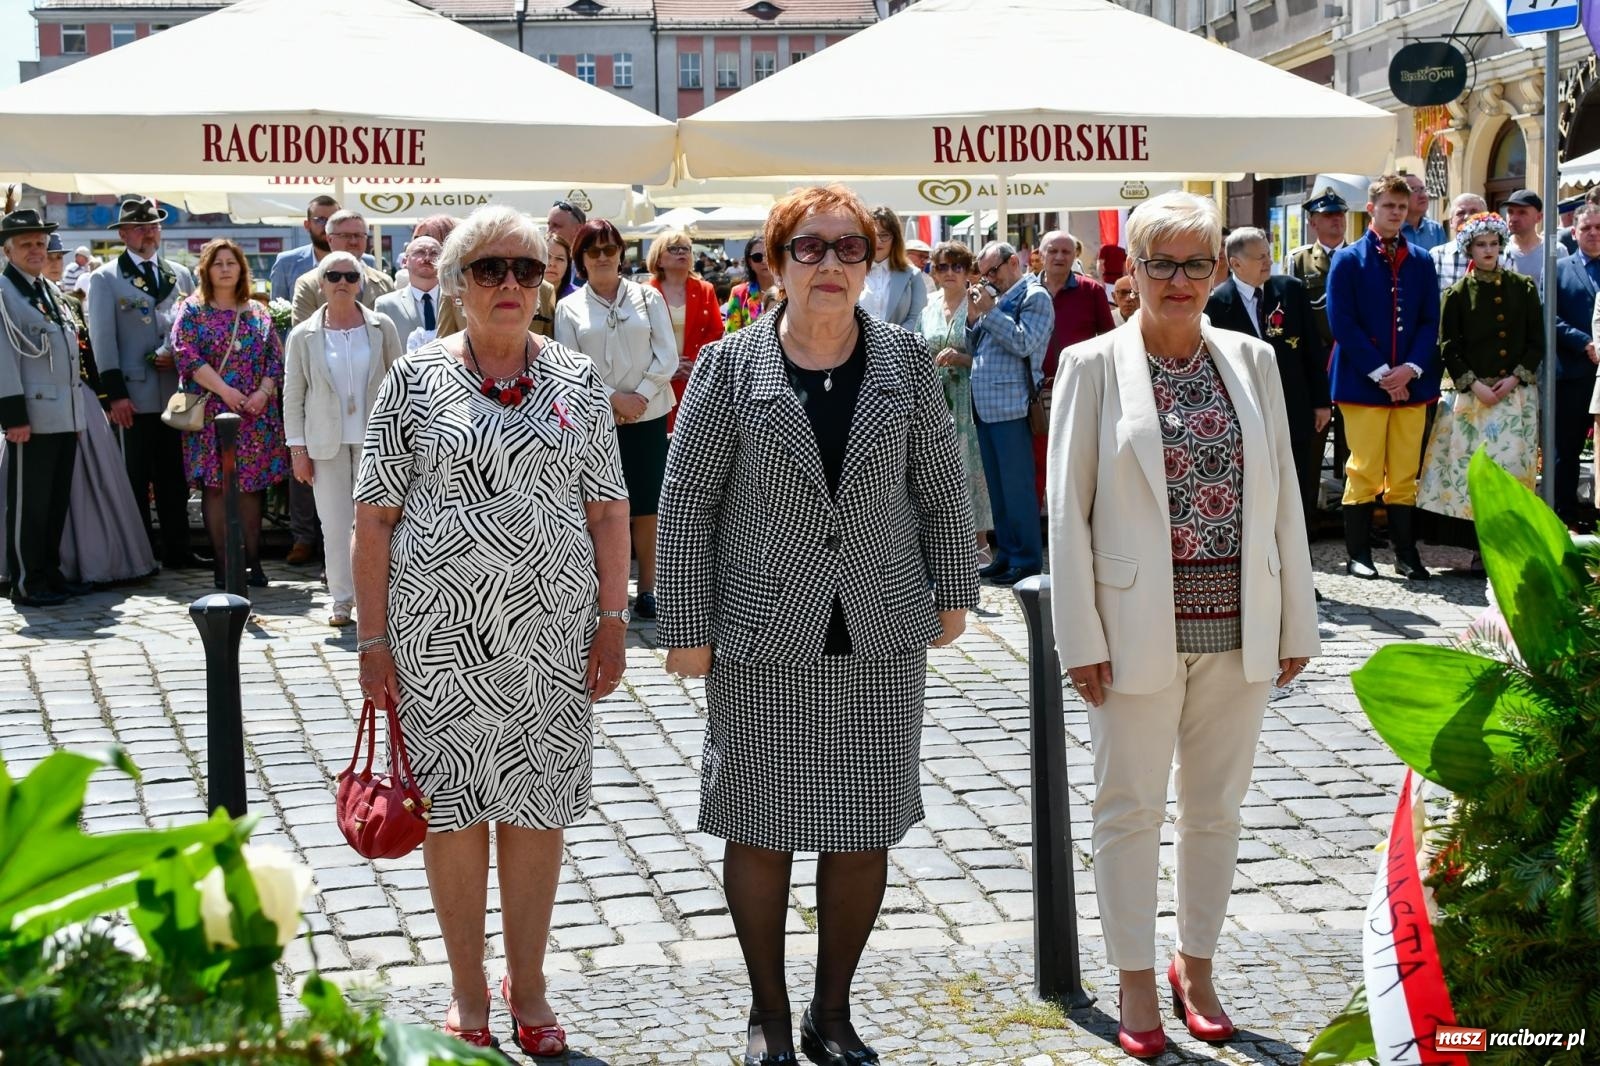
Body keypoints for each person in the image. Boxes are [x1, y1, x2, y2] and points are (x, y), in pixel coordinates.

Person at [655, 183, 977, 1066]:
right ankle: (768, 1012)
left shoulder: (904, 361)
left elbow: (940, 484)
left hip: (879, 624)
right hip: (762, 626)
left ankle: (831, 1013)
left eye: (849, 248)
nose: (830, 264)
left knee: (864, 826)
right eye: (810, 247)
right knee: (759, 825)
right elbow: (688, 502)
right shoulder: (729, 367)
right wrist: (685, 623)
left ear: (872, 263)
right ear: (776, 262)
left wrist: (954, 588)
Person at [1045, 190, 1318, 1060]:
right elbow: (1067, 512)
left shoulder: (1252, 359)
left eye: (1196, 263)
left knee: (1216, 811)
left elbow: (1284, 494)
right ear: (1132, 271)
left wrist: (1297, 619)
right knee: (1128, 808)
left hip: (1241, 626)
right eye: (1160, 263)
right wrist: (1079, 637)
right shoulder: (1091, 365)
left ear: (1217, 271)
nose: (1179, 280)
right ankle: (1134, 976)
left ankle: (1195, 966)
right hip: (1133, 630)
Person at [353, 204, 628, 1055]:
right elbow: (373, 521)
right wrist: (372, 642)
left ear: (544, 281)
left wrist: (614, 619)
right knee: (453, 813)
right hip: (438, 641)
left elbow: (609, 511)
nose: (510, 283)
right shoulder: (414, 379)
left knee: (538, 810)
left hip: (552, 639)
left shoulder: (577, 379)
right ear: (457, 283)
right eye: (490, 269)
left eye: (526, 268)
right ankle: (468, 988)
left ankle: (529, 983)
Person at [555, 219, 677, 621]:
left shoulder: (648, 297)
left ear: (621, 254)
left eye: (610, 249)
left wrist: (639, 396)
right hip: (596, 419)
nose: (603, 257)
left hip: (648, 412)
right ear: (581, 259)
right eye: (594, 251)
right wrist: (612, 399)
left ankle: (649, 589)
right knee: (600, 504)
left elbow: (667, 354)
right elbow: (569, 366)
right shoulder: (569, 307)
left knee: (648, 504)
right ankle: (608, 590)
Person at [1326, 174, 1442, 581]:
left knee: (1406, 472)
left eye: (1402, 206)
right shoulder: (1348, 259)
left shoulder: (1422, 260)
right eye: (1389, 206)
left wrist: (1411, 369)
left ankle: (1406, 555)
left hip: (1413, 383)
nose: (1396, 213)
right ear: (1371, 208)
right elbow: (1342, 322)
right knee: (1364, 469)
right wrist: (1381, 373)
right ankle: (1359, 554)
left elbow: (1429, 321)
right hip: (1362, 383)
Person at [284, 251, 403, 625]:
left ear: (360, 284)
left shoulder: (382, 326)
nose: (342, 283)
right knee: (334, 525)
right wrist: (297, 448)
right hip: (325, 443)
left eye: (351, 276)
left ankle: (382, 599)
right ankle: (341, 600)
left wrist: (405, 437)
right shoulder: (303, 335)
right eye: (333, 276)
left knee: (380, 523)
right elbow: (293, 394)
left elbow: (403, 385)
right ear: (321, 283)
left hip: (378, 441)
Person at [1417, 213, 1542, 557]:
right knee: (1472, 468)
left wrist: (1514, 377)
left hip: (1514, 395)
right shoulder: (1456, 294)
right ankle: (1476, 549)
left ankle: (1510, 545)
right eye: (1480, 245)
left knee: (1510, 469)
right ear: (1469, 249)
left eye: (1493, 244)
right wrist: (1474, 384)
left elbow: (1536, 341)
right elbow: (1448, 346)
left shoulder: (1523, 287)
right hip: (1472, 398)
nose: (1488, 250)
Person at [85, 195, 200, 571]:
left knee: (174, 477)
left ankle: (178, 549)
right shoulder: (106, 277)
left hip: (175, 393)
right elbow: (102, 342)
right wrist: (114, 395)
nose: (147, 233)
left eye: (153, 226)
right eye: (138, 228)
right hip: (133, 396)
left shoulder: (179, 274)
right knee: (133, 477)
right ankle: (138, 553)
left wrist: (179, 358)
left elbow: (189, 329)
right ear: (123, 234)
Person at [169, 239, 289, 589]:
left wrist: (263, 392)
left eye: (231, 263)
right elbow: (185, 355)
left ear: (241, 270)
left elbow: (274, 357)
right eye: (217, 263)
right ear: (206, 270)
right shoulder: (193, 310)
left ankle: (253, 562)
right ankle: (223, 565)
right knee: (216, 487)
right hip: (210, 413)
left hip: (254, 414)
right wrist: (225, 391)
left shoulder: (258, 312)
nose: (224, 269)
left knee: (251, 487)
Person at [1206, 227, 1331, 527]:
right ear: (1235, 263)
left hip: (1293, 406)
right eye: (1259, 257)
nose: (1268, 262)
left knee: (1298, 479)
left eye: (1268, 254)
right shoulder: (1216, 304)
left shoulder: (1291, 291)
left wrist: (1321, 401)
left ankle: (1299, 538)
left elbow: (1312, 349)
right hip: (1244, 411)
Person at [0, 209, 86, 606]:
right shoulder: (5, 293)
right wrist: (13, 417)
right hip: (31, 418)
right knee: (28, 506)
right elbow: (3, 359)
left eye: (40, 243)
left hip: (64, 414)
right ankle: (26, 581)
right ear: (7, 251)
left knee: (54, 503)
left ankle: (50, 573)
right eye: (26, 244)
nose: (36, 250)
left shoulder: (46, 290)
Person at [970, 239, 1053, 586]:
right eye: (984, 274)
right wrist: (974, 317)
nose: (989, 279)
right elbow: (975, 345)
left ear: (1013, 263)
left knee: (1018, 490)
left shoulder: (1035, 297)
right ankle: (1005, 554)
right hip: (987, 405)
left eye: (993, 271)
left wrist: (989, 312)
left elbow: (1023, 343)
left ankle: (1026, 560)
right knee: (999, 490)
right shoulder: (1000, 299)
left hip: (1013, 406)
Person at [919, 239, 992, 562]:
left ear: (968, 271)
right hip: (936, 399)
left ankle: (980, 546)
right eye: (942, 266)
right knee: (938, 471)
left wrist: (962, 358)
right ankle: (944, 547)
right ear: (934, 272)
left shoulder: (977, 304)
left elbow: (992, 356)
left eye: (957, 266)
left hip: (970, 397)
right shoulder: (928, 309)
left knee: (972, 469)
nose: (949, 272)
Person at [1035, 229, 1114, 504]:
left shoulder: (1091, 291)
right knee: (1037, 465)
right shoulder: (1025, 291)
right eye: (1053, 251)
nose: (1059, 256)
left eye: (1066, 251)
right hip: (1034, 394)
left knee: (1076, 458)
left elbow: (1108, 340)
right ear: (1040, 255)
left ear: (1075, 256)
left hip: (1079, 390)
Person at [1551, 203, 1600, 530]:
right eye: (1586, 228)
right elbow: (1549, 316)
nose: (1594, 233)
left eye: (1599, 227)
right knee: (1566, 451)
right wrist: (1585, 343)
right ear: (1574, 232)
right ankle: (1564, 519)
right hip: (1574, 374)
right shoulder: (1558, 269)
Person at [647, 226, 724, 434]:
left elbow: (715, 333)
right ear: (659, 259)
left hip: (695, 377)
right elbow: (640, 338)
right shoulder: (644, 292)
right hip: (658, 381)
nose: (681, 252)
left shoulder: (706, 289)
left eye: (686, 248)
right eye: (674, 248)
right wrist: (667, 366)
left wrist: (694, 364)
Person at [291, 210, 394, 325]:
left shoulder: (385, 283)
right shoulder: (308, 284)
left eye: (359, 235)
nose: (353, 241)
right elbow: (304, 332)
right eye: (345, 236)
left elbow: (392, 329)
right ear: (329, 239)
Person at [269, 195, 377, 301]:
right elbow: (277, 308)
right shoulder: (286, 263)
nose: (327, 226)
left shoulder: (366, 262)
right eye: (321, 220)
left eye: (333, 220)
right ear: (307, 225)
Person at [857, 208, 926, 333]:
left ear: (895, 238)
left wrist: (891, 340)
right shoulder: (852, 271)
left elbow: (917, 318)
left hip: (899, 343)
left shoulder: (913, 275)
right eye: (872, 235)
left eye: (884, 235)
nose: (878, 240)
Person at [374, 235, 444, 353]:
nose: (427, 258)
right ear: (404, 261)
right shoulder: (386, 305)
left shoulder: (458, 301)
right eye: (420, 252)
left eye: (434, 253)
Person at [1501, 188, 1568, 298]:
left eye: (1522, 212)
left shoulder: (1555, 250)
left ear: (1539, 217)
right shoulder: (1499, 249)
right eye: (1510, 212)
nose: (1513, 218)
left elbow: (1565, 291)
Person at [1429, 193, 1502, 293]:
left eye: (1474, 212)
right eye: (1460, 213)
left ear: (1486, 219)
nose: (1467, 217)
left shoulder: (1501, 256)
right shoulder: (1436, 256)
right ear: (1451, 222)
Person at [725, 236, 775, 332]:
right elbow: (731, 332)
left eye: (769, 255)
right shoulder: (738, 293)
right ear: (749, 262)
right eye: (757, 257)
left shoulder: (789, 290)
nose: (764, 261)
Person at [546, 199, 588, 298]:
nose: (549, 231)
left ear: (578, 229)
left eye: (556, 225)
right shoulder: (536, 261)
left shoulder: (592, 265)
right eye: (548, 224)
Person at [1400, 173, 1448, 251]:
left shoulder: (1436, 230)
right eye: (1414, 190)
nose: (1422, 195)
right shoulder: (1391, 230)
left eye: (1423, 189)